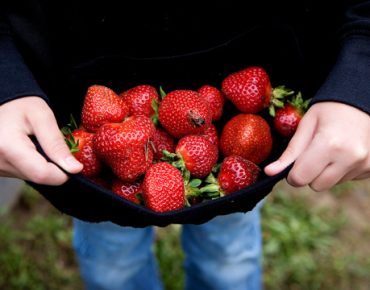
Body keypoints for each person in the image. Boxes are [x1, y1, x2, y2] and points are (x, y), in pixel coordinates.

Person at [0, 1, 369, 290]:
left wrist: (359, 82)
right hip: (88, 147)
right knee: (113, 261)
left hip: (235, 131)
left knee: (228, 255)